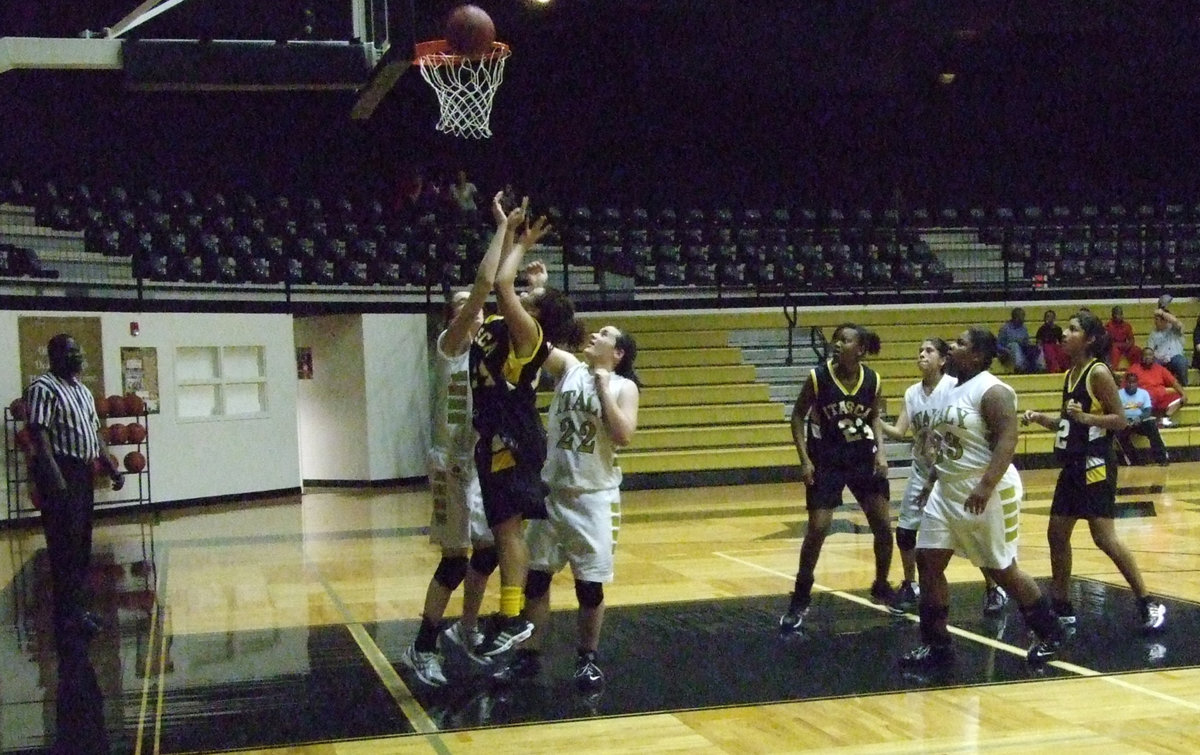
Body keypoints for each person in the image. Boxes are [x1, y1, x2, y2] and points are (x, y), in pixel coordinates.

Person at [898, 326, 1064, 670]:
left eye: (960, 343)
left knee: (1001, 569)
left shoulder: (993, 390)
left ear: (976, 355)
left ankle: (1050, 631)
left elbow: (1007, 440)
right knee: (928, 561)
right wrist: (932, 480)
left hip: (985, 491)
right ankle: (937, 644)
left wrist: (986, 485)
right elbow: (945, 444)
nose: (953, 347)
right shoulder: (949, 390)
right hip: (947, 489)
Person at [400, 195, 509, 687]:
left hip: (478, 463)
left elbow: (504, 293)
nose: (479, 315)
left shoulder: (484, 354)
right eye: (469, 309)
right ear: (454, 314)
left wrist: (521, 255)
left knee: (489, 550)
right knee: (455, 559)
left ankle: (464, 631)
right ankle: (422, 644)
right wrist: (503, 230)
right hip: (450, 465)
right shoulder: (450, 346)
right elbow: (488, 286)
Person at [497, 324, 641, 690]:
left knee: (589, 587)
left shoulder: (625, 388)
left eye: (605, 334)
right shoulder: (569, 368)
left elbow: (623, 435)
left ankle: (587, 657)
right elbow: (532, 339)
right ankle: (529, 655)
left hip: (593, 499)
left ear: (618, 352)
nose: (595, 334)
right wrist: (534, 295)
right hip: (552, 493)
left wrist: (604, 386)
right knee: (537, 579)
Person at [471, 197, 583, 658]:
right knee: (503, 532)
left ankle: (512, 617)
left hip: (512, 437)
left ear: (535, 313)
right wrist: (510, 239)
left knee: (509, 533)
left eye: (530, 297)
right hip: (497, 432)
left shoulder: (528, 334)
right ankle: (510, 617)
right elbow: (492, 280)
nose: (523, 292)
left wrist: (518, 239)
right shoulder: (511, 323)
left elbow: (500, 282)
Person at [1021, 311, 1166, 633]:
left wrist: (1087, 419)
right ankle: (1062, 605)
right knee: (1056, 533)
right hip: (1073, 462)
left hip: (1095, 464)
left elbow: (1121, 420)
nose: (1065, 335)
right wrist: (1041, 419)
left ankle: (1147, 600)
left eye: (1072, 330)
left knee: (1104, 538)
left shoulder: (1098, 372)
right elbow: (1069, 422)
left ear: (1088, 338)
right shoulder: (1070, 374)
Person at [881, 338, 1008, 616]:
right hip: (922, 470)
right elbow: (900, 431)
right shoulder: (912, 393)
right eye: (919, 350)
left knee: (972, 536)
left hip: (952, 471)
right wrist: (873, 419)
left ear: (942, 360)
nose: (922, 355)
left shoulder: (956, 388)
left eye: (929, 351)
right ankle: (910, 584)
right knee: (905, 532)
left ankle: (992, 586)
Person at [780, 323, 894, 632]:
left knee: (884, 526)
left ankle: (881, 584)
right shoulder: (818, 377)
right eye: (837, 339)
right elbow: (797, 416)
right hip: (826, 460)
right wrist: (804, 460)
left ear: (860, 349)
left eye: (845, 340)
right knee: (817, 529)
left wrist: (882, 452)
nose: (838, 344)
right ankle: (801, 594)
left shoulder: (873, 379)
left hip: (862, 459)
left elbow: (875, 416)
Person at [25, 334, 124, 642]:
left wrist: (111, 467)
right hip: (60, 472)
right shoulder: (42, 388)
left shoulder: (82, 390)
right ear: (55, 356)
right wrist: (57, 482)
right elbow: (39, 439)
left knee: (81, 546)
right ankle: (66, 616)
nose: (80, 356)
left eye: (80, 351)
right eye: (72, 352)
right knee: (63, 549)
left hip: (82, 474)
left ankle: (77, 609)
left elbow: (95, 434)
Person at [1114, 372, 1169, 466]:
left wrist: (1139, 418)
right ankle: (1134, 460)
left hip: (1140, 421)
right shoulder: (1118, 394)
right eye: (1129, 382)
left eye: (1133, 382)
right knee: (1119, 434)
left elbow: (1148, 411)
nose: (1131, 385)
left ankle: (1161, 459)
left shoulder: (1143, 393)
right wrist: (1125, 420)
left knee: (1152, 427)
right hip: (1125, 422)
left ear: (1137, 383)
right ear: (1125, 382)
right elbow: (1115, 411)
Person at [1126, 346, 1187, 426]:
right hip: (1142, 401)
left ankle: (1165, 418)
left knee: (1180, 398)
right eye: (1145, 355)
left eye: (1150, 355)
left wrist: (1183, 394)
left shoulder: (1160, 369)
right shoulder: (1134, 369)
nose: (1148, 357)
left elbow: (1174, 382)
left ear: (1153, 357)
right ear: (1141, 357)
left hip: (1160, 399)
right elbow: (1125, 387)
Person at [1146, 307, 1188, 386]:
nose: (1155, 322)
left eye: (1157, 319)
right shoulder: (1153, 334)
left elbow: (1177, 322)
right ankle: (1157, 386)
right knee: (1153, 363)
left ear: (1165, 320)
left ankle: (1184, 386)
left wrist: (1162, 313)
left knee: (1181, 361)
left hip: (1175, 358)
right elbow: (1150, 350)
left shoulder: (1174, 329)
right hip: (1160, 360)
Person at [997, 307, 1044, 374]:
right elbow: (998, 344)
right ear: (1015, 317)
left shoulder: (1023, 328)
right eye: (1021, 316)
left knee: (1037, 348)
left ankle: (1039, 367)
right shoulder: (1005, 328)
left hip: (1022, 349)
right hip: (1008, 351)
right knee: (1014, 345)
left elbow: (1026, 342)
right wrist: (1005, 350)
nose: (1023, 319)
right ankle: (1020, 367)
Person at [1105, 305, 1139, 370]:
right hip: (1114, 346)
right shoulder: (1108, 326)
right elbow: (1107, 341)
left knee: (1136, 350)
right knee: (1114, 350)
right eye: (1117, 314)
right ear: (1113, 315)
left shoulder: (1127, 325)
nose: (1119, 316)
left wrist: (1128, 345)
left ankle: (1136, 369)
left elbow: (1131, 339)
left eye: (1120, 314)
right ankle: (1113, 370)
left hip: (1125, 345)